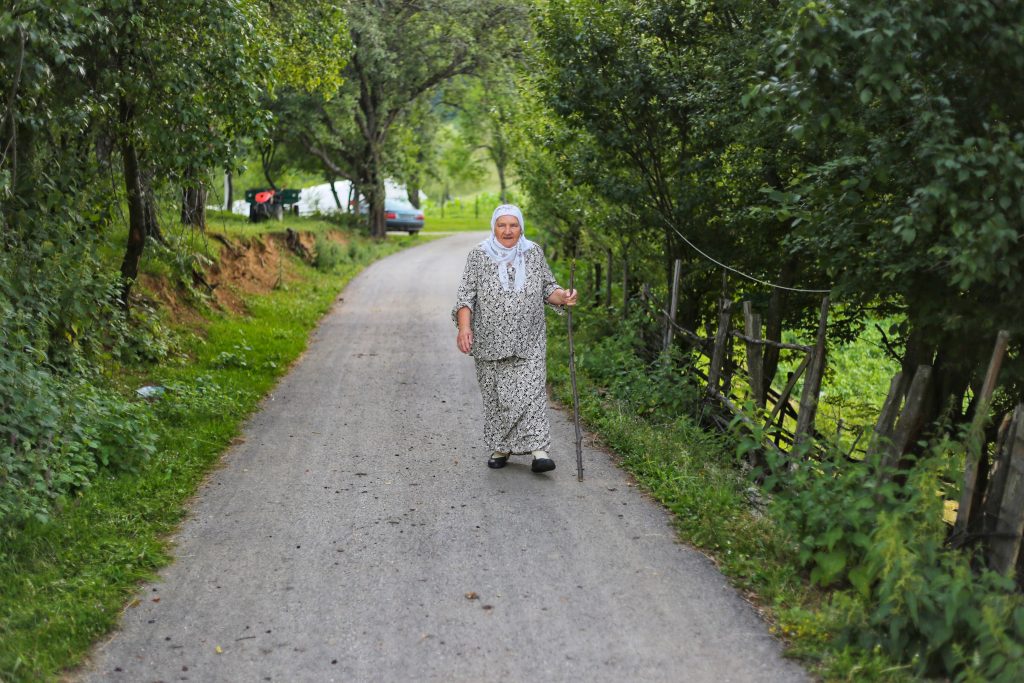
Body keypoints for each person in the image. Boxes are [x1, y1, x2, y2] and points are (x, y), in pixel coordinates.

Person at [452, 204, 578, 473]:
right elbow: (465, 297)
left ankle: (539, 452)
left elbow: (548, 287)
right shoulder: (478, 255)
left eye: (513, 225)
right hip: (490, 341)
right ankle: (501, 447)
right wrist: (464, 328)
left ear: (521, 227)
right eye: (502, 225)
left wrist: (564, 297)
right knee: (497, 397)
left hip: (529, 339)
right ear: (493, 227)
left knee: (531, 393)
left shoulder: (533, 253)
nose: (508, 231)